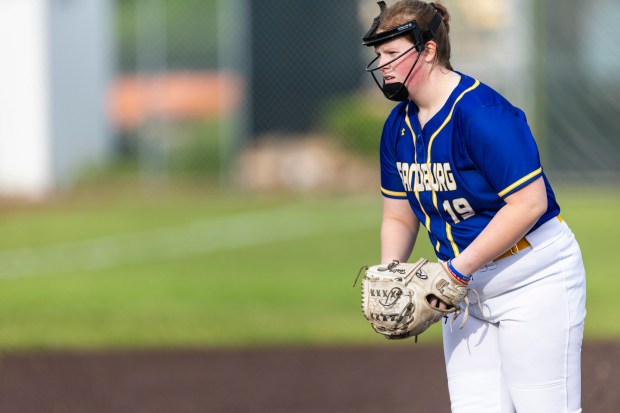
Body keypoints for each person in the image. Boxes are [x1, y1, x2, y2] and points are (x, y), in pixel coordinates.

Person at [361, 1, 587, 412]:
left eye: (393, 53)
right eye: (380, 55)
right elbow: (398, 213)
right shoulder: (398, 126)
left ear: (428, 50)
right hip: (463, 293)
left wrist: (455, 271)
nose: (384, 64)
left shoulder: (481, 113)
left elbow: (529, 203)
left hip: (533, 279)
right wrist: (391, 271)